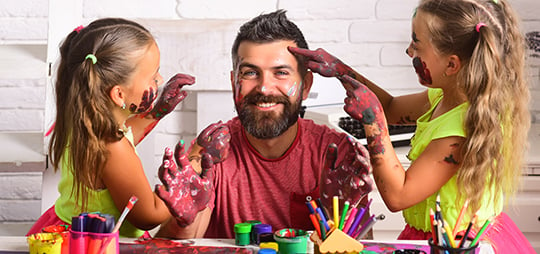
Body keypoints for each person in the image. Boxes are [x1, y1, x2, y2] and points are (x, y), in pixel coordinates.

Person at [289, 0, 534, 252]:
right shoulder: (448, 95)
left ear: (451, 65)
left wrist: (373, 122)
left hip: (455, 244)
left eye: (416, 45)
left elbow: (398, 196)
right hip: (431, 235)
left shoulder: (463, 128)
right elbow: (393, 108)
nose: (408, 51)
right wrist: (342, 72)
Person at [154, 10, 374, 239]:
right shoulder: (212, 151)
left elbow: (360, 246)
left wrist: (339, 218)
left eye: (280, 73)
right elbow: (184, 240)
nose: (264, 88)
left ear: (306, 85)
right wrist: (183, 221)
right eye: (250, 73)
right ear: (234, 82)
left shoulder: (336, 154)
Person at [27, 17, 195, 238]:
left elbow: (126, 136)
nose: (160, 79)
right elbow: (148, 215)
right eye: (153, 77)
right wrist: (194, 165)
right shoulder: (113, 149)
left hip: (66, 228)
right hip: (97, 244)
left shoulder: (85, 122)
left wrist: (157, 112)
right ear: (118, 94)